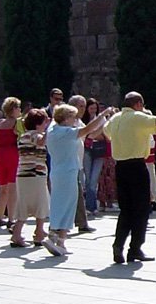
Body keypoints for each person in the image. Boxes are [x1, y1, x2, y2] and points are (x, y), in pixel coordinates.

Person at [106, 92, 156, 264]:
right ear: (138, 104)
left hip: (120, 166)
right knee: (142, 209)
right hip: (137, 166)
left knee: (126, 209)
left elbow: (106, 132)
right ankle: (135, 248)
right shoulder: (137, 117)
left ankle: (118, 244)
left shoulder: (115, 118)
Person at [43, 104, 109, 256]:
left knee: (58, 204)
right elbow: (88, 130)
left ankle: (54, 235)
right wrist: (102, 115)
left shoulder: (52, 130)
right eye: (73, 117)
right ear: (66, 118)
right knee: (68, 206)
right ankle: (59, 240)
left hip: (57, 172)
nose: (75, 120)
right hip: (68, 172)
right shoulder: (66, 132)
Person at [10, 110, 51, 249]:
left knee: (23, 205)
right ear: (38, 123)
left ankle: (18, 233)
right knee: (41, 203)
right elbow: (40, 141)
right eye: (44, 122)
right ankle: (38, 233)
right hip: (35, 175)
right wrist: (50, 129)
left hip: (23, 175)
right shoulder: (35, 135)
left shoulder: (23, 136)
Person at [0, 97, 21, 230]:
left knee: (3, 188)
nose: (20, 110)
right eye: (18, 107)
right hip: (12, 154)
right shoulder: (17, 123)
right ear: (13, 109)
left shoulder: (1, 124)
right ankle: (11, 218)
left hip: (0, 155)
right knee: (13, 188)